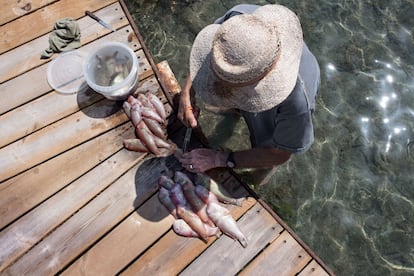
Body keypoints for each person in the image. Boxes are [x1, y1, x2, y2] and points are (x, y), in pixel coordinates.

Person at [176, 4, 320, 185]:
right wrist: (187, 94)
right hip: (255, 76)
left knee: (266, 147)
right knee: (234, 99)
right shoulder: (238, 22)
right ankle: (236, 110)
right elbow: (206, 57)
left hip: (282, 107)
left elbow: (281, 154)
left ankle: (258, 178)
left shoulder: (297, 104)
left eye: (237, 89)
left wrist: (220, 159)